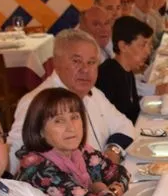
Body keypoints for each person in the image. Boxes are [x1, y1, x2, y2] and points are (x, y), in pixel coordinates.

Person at [8, 29, 135, 173]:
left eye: (92, 62)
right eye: (76, 61)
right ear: (56, 62)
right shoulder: (36, 102)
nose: (85, 69)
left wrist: (113, 150)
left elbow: (125, 125)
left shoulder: (94, 94)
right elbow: (15, 158)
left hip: (103, 178)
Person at [15, 88, 129, 196]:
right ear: (40, 131)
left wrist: (112, 192)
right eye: (59, 121)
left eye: (74, 117)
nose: (71, 128)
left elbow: (122, 173)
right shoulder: (40, 172)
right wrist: (100, 189)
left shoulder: (80, 152)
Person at [96, 16, 168, 122]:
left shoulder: (127, 71)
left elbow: (133, 110)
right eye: (142, 45)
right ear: (123, 46)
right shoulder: (107, 76)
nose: (148, 52)